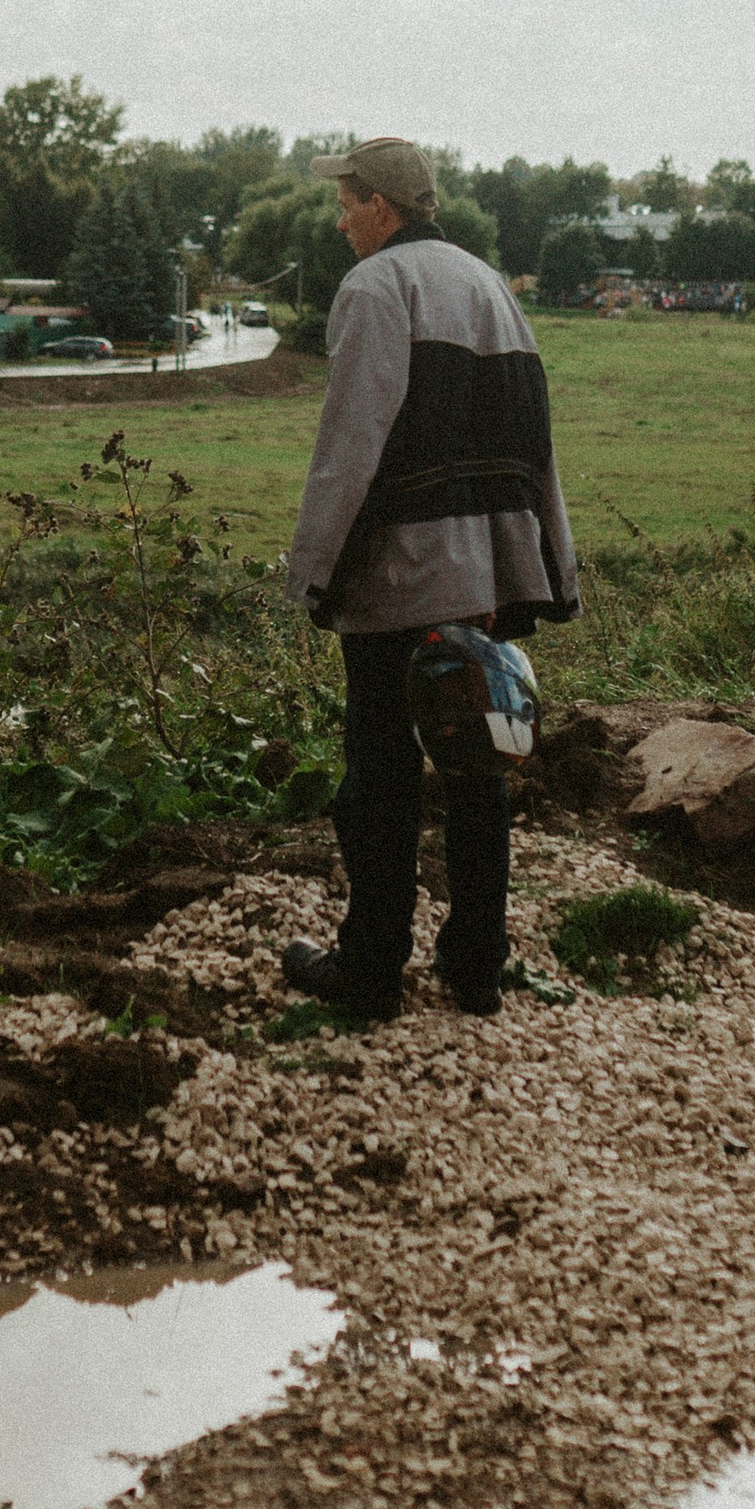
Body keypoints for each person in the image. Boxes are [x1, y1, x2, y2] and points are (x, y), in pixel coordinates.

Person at [277, 138, 577, 1021]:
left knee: (379, 773)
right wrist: (545, 563)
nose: (339, 219)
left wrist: (315, 572)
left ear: (382, 205)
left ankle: (370, 971)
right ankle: (476, 967)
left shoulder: (376, 288)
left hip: (398, 571)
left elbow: (352, 442)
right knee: (479, 767)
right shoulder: (490, 285)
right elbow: (534, 440)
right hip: (482, 570)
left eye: (346, 201)